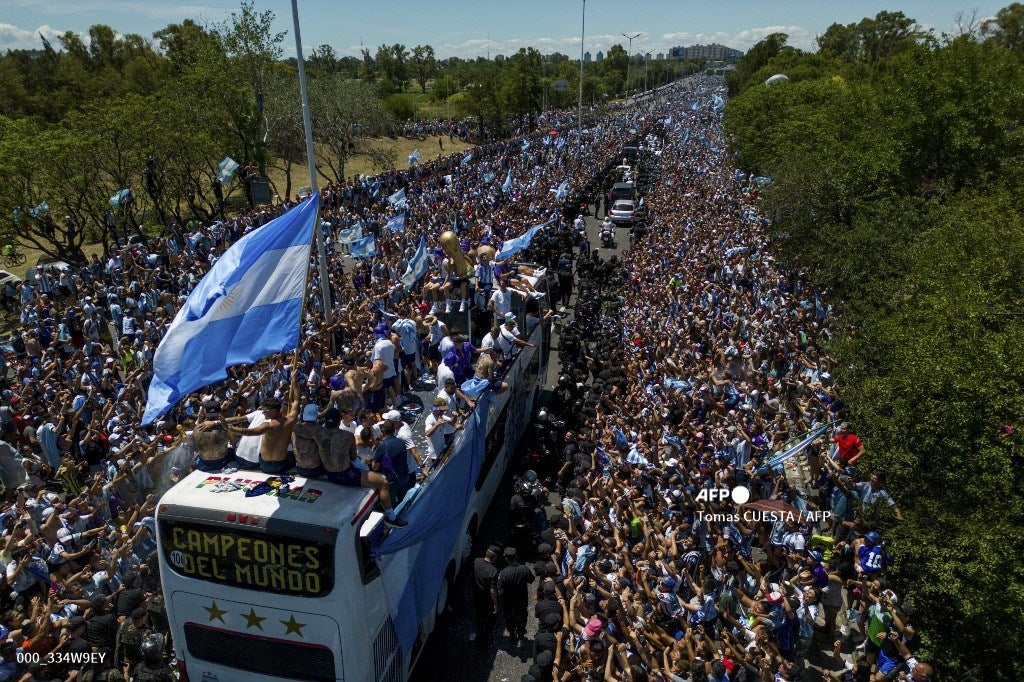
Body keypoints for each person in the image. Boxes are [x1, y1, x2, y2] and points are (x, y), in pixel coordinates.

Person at [222, 375, 299, 474]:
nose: (262, 412)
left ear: (274, 411)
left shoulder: (268, 425)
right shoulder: (290, 419)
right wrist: (294, 381)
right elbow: (297, 401)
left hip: (265, 466)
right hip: (279, 465)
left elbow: (250, 432)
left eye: (265, 411)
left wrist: (230, 428)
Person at [497, 546, 535, 650]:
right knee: (522, 619)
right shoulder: (524, 569)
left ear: (506, 558)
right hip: (522, 601)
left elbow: (500, 591)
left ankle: (512, 635)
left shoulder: (503, 573)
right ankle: (521, 638)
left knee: (510, 620)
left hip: (508, 603)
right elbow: (531, 580)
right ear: (516, 556)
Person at [470, 545, 500, 643]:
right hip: (486, 597)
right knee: (485, 615)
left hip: (476, 593)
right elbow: (492, 591)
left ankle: (479, 628)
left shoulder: (477, 561)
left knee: (479, 613)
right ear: (494, 557)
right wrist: (496, 604)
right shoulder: (493, 571)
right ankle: (482, 636)